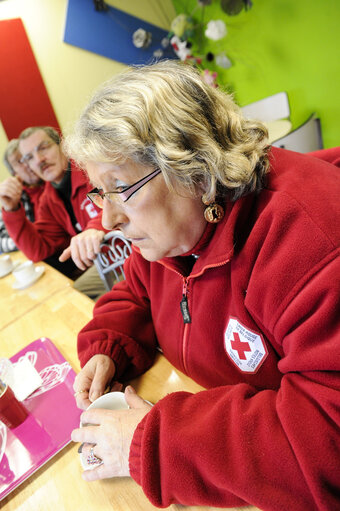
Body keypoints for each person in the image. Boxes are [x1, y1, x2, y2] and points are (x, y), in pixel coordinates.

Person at [68, 61, 340, 511]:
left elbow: (325, 440)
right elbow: (136, 292)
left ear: (194, 167)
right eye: (99, 192)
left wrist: (152, 441)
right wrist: (107, 346)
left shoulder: (308, 239)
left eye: (121, 188)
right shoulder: (176, 231)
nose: (108, 220)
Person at [1, 126, 107, 299]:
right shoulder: (48, 199)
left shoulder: (88, 170)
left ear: (62, 145)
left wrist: (93, 229)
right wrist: (12, 209)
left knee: (74, 296)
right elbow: (38, 250)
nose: (39, 160)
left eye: (43, 148)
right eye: (29, 158)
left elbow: (117, 203)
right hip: (100, 263)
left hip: (127, 252)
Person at [0, 139, 44, 252]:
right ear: (14, 173)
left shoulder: (55, 182)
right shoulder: (15, 196)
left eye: (28, 157)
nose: (27, 164)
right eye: (19, 161)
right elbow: (1, 240)